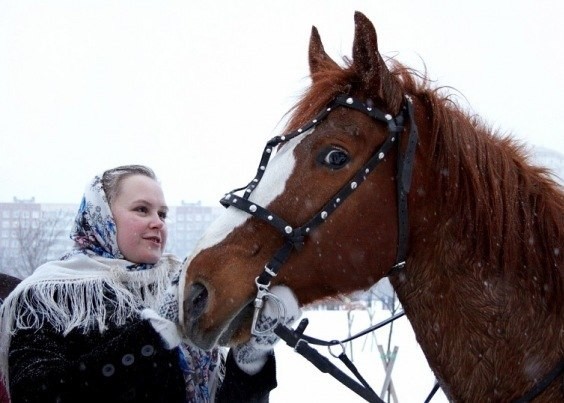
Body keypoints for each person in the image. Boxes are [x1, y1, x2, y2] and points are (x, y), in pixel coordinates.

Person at [0, 165, 300, 403]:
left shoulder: (182, 289)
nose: (157, 222)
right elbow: (37, 394)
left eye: (162, 214)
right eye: (142, 210)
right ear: (100, 216)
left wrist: (250, 360)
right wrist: (150, 337)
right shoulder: (49, 297)